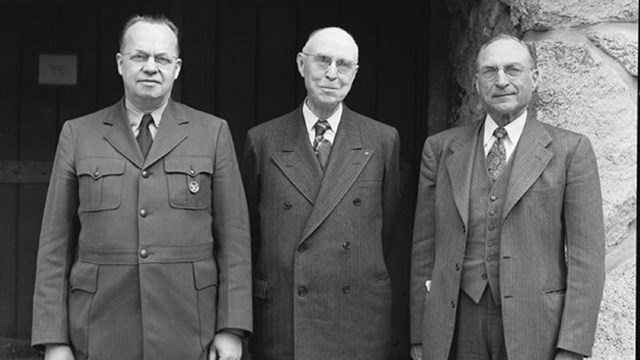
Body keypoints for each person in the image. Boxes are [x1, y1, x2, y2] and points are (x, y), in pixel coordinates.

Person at [31, 14, 251, 360]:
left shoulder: (212, 132)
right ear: (121, 64)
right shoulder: (78, 134)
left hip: (190, 330)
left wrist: (231, 328)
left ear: (177, 68)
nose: (151, 67)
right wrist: (54, 340)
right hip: (100, 330)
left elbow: (234, 242)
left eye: (162, 58)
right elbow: (54, 245)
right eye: (139, 57)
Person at [410, 34, 605, 360]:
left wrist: (572, 346)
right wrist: (420, 333)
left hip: (536, 328)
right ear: (476, 82)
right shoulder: (441, 149)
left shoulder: (571, 150)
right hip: (456, 326)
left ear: (535, 77)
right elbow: (423, 248)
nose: (501, 81)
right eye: (490, 71)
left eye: (513, 69)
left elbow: (587, 260)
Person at [242, 27, 400, 360]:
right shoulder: (263, 140)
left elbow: (388, 232)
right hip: (285, 318)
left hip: (356, 317)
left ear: (355, 73)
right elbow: (250, 235)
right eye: (322, 60)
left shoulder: (382, 141)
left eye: (343, 65)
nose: (332, 73)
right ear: (301, 64)